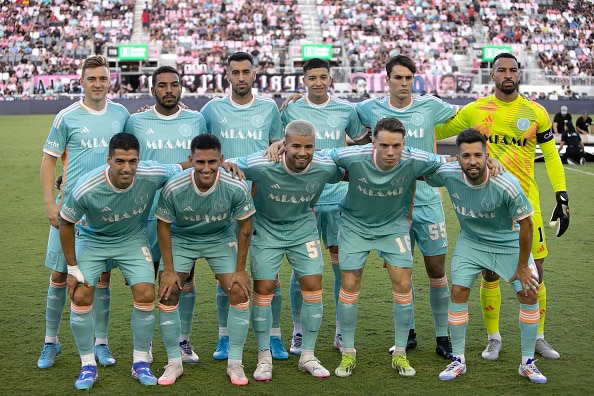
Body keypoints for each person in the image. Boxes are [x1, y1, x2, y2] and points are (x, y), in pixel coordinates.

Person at [435, 52, 569, 361]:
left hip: (527, 205)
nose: (507, 74)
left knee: (536, 272)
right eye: (501, 70)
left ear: (519, 74)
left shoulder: (536, 113)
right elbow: (435, 130)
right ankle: (493, 337)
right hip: (489, 206)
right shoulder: (476, 110)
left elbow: (550, 156)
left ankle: (538, 336)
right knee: (490, 273)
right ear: (492, 75)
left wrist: (562, 195)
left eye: (513, 70)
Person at [59, 133, 183, 389]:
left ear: (139, 160)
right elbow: (66, 223)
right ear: (109, 160)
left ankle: (140, 362)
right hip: (93, 239)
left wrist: (227, 165)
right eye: (120, 161)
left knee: (146, 293)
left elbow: (186, 165)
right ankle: (87, 366)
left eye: (132, 161)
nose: (127, 168)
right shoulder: (87, 186)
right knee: (81, 295)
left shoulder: (151, 173)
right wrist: (72, 268)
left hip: (131, 238)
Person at [356, 55, 459, 359]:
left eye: (408, 78)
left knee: (436, 271)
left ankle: (443, 335)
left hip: (428, 200)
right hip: (393, 207)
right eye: (398, 77)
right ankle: (409, 333)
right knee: (401, 273)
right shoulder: (369, 108)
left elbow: (467, 114)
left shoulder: (430, 105)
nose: (403, 83)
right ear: (386, 79)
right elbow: (336, 112)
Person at [426, 128, 547, 384]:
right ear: (457, 157)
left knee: (528, 293)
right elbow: (421, 171)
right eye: (466, 156)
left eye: (478, 155)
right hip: (471, 242)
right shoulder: (449, 174)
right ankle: (458, 360)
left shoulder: (506, 182)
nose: (473, 161)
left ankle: (527, 363)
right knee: (458, 291)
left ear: (487, 155)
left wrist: (524, 265)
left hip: (508, 243)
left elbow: (526, 224)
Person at [330, 117, 447, 378]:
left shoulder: (415, 158)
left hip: (393, 226)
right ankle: (348, 351)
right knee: (350, 285)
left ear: (404, 144)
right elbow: (317, 156)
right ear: (373, 142)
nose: (390, 152)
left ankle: (401, 354)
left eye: (396, 146)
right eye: (383, 145)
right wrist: (280, 145)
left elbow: (449, 163)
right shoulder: (353, 155)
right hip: (354, 226)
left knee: (403, 284)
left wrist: (489, 162)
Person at [231, 120, 344, 381]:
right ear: (284, 145)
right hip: (266, 231)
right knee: (264, 289)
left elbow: (348, 168)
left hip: (303, 229)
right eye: (295, 146)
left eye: (309, 147)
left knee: (314, 286)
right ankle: (263, 357)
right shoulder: (263, 164)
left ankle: (308, 355)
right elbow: (229, 165)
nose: (302, 152)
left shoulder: (325, 166)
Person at [38, 55, 130, 369]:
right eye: (91, 78)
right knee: (60, 274)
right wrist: (52, 203)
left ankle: (100, 343)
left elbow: (131, 151)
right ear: (82, 81)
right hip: (71, 213)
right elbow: (49, 160)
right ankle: (51, 341)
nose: (97, 83)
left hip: (107, 212)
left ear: (109, 81)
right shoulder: (67, 116)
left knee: (102, 278)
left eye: (102, 78)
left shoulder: (121, 114)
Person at [279, 58, 369, 356]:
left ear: (331, 79)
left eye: (323, 77)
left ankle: (341, 331)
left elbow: (361, 140)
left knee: (341, 267)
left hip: (338, 197)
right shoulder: (291, 109)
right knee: (301, 268)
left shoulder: (346, 109)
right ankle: (299, 331)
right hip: (303, 198)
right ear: (303, 80)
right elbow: (279, 141)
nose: (318, 82)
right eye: (312, 77)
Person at [200, 51, 286, 361]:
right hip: (222, 204)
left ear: (254, 74)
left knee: (269, 275)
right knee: (227, 275)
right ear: (227, 76)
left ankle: (274, 336)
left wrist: (278, 146)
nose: (240, 77)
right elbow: (200, 150)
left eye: (245, 72)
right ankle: (224, 337)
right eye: (234, 72)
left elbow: (278, 146)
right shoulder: (212, 110)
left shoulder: (268, 109)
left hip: (261, 201)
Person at [124, 66, 207, 367]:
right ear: (152, 90)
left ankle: (183, 340)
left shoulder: (196, 119)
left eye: (174, 85)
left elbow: (204, 158)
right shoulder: (136, 120)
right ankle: (144, 347)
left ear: (182, 88)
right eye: (162, 85)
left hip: (185, 211)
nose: (169, 90)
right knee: (146, 280)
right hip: (145, 211)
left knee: (185, 279)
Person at [155, 134, 255, 386]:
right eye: (200, 162)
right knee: (167, 292)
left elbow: (245, 225)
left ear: (221, 159)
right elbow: (163, 226)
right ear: (191, 160)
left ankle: (235, 363)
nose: (207, 168)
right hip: (182, 237)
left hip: (220, 237)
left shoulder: (236, 184)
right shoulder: (174, 186)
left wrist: (241, 269)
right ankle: (173, 362)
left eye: (213, 161)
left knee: (239, 291)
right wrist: (168, 269)